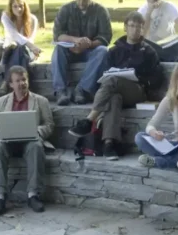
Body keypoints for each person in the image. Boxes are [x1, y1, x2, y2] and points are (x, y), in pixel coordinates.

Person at [68, 12, 165, 160]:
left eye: (139, 27)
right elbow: (104, 75)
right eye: (132, 26)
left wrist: (138, 78)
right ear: (125, 27)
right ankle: (109, 144)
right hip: (113, 89)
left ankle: (89, 120)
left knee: (113, 81)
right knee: (114, 98)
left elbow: (157, 78)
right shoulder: (114, 51)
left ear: (142, 29)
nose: (135, 30)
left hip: (138, 92)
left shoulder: (149, 51)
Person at [0, 65, 53, 216]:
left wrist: (36, 131)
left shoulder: (41, 101)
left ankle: (33, 195)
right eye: (17, 81)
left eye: (24, 79)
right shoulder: (1, 102)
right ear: (11, 84)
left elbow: (49, 125)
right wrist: (2, 133)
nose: (21, 83)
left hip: (30, 139)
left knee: (36, 147)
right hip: (7, 140)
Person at [51, 0, 113, 106]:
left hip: (90, 50)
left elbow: (105, 37)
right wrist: (76, 41)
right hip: (70, 48)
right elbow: (58, 35)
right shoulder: (65, 10)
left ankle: (83, 89)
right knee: (58, 50)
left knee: (102, 51)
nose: (81, 2)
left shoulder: (100, 11)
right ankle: (60, 91)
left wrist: (88, 44)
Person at [0, 0, 41, 83]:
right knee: (18, 49)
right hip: (10, 50)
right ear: (10, 7)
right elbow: (14, 35)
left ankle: (7, 81)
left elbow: (31, 39)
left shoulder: (33, 19)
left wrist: (30, 46)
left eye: (21, 6)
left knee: (20, 49)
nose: (18, 9)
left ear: (25, 6)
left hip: (28, 52)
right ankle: (24, 84)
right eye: (15, 6)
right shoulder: (6, 17)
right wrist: (30, 45)